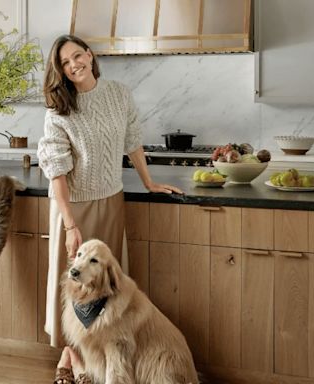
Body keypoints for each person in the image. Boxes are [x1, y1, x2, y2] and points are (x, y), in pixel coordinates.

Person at [37, 34, 183, 347]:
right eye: (65, 62)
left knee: (107, 287)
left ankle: (100, 353)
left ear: (90, 56)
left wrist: (149, 182)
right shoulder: (58, 111)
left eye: (77, 56)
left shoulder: (118, 94)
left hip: (111, 200)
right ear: (61, 71)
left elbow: (133, 142)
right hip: (73, 207)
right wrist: (70, 224)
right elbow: (57, 173)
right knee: (74, 287)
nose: (74, 64)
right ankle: (70, 358)